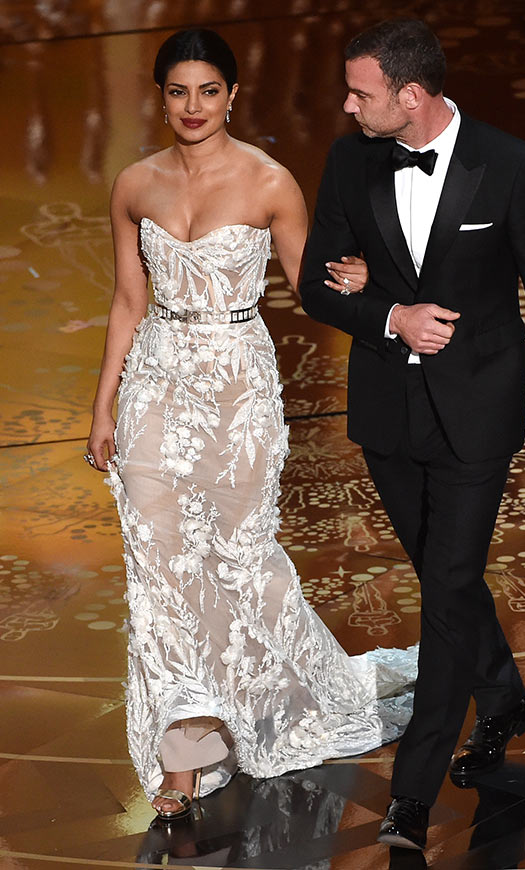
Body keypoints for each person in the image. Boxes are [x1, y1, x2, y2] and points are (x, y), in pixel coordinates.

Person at [85, 28, 417, 823]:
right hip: (157, 385)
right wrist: (103, 406)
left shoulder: (271, 182)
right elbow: (130, 302)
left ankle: (284, 700)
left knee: (240, 559)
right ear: (160, 97)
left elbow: (314, 287)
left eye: (208, 90)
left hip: (239, 387)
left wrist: (376, 280)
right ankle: (187, 756)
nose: (192, 106)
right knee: (160, 569)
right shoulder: (134, 184)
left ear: (233, 95)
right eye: (177, 91)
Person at [300, 18, 525, 851]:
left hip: (477, 416)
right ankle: (502, 697)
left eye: (362, 92)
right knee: (447, 578)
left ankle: (413, 793)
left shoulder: (511, 164)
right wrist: (388, 312)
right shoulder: (351, 158)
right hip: (388, 412)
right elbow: (321, 283)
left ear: (412, 95)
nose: (347, 104)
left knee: (447, 584)